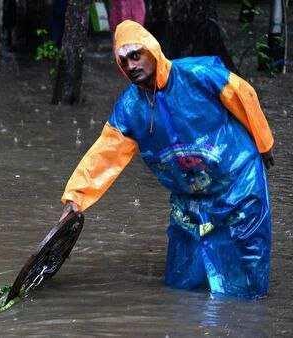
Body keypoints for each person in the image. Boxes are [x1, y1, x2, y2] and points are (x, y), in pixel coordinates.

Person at [59, 20, 275, 299]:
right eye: (123, 61)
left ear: (153, 50)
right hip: (188, 199)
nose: (131, 65)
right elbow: (105, 153)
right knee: (181, 283)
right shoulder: (129, 109)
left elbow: (243, 95)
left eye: (136, 55)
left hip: (238, 183)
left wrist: (264, 142)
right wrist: (75, 198)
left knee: (246, 275)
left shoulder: (198, 74)